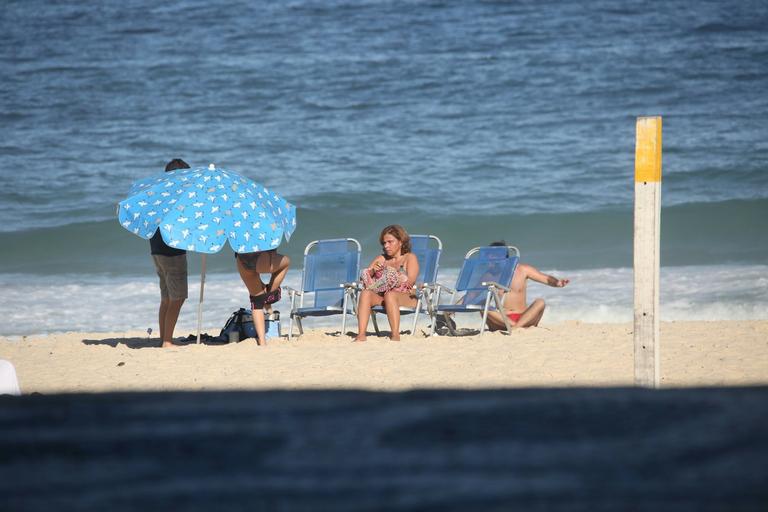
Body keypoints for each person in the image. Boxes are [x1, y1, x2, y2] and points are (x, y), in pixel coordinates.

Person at [484, 240, 569, 330]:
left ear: (503, 258)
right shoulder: (488, 276)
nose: (490, 263)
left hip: (523, 318)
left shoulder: (523, 270)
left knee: (540, 302)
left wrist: (558, 283)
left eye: (493, 259)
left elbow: (545, 278)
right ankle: (514, 327)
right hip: (502, 320)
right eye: (489, 260)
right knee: (482, 306)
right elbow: (475, 296)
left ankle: (515, 327)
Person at [355, 225, 419, 342]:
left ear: (400, 242)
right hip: (384, 297)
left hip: (406, 297)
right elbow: (366, 279)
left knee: (390, 295)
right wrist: (374, 271)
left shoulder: (409, 258)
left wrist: (397, 277)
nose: (386, 246)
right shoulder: (382, 258)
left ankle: (395, 335)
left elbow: (411, 281)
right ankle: (361, 335)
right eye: (384, 243)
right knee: (365, 293)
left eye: (390, 242)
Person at [151, 158, 191, 348]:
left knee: (166, 297)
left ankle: (164, 337)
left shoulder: (159, 196)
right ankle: (167, 341)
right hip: (171, 252)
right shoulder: (176, 198)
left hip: (156, 250)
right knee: (178, 297)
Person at [236, 249, 291, 346]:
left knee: (256, 301)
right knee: (286, 262)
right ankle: (268, 296)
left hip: (242, 259)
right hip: (263, 257)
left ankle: (262, 341)